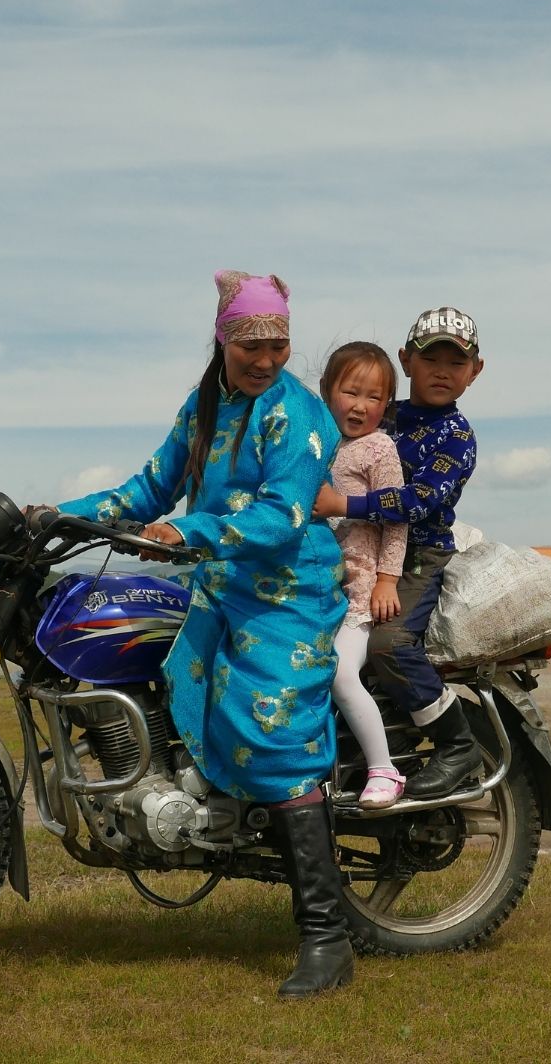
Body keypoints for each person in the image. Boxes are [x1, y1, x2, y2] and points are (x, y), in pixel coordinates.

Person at [55, 270, 353, 998]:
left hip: (286, 592)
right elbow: (148, 488)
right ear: (222, 340)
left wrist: (188, 531)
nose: (265, 360)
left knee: (273, 732)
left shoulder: (300, 414)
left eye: (278, 345)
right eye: (251, 346)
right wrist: (58, 516)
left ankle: (327, 935)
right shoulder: (205, 406)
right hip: (217, 585)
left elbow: (283, 513)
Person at [315, 306, 482, 799]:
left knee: (390, 643)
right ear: (407, 360)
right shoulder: (386, 414)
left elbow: (418, 500)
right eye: (431, 360)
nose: (442, 372)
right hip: (352, 551)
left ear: (475, 371)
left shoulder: (456, 436)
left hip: (418, 556)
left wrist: (344, 505)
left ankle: (457, 744)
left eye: (456, 362)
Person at [318, 341, 408, 810]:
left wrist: (387, 580)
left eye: (374, 397)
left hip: (357, 591)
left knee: (339, 674)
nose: (360, 406)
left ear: (386, 404)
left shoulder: (379, 448)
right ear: (326, 390)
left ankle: (384, 768)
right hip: (315, 587)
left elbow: (396, 517)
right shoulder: (318, 443)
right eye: (351, 392)